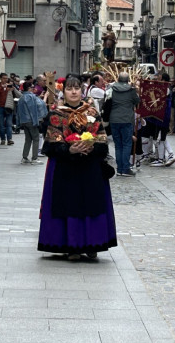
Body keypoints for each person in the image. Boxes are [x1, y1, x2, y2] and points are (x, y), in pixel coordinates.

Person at [37, 75, 117, 260]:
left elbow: (103, 139)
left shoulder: (92, 112)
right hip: (66, 168)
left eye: (77, 88)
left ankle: (92, 244)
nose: (73, 92)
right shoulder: (56, 114)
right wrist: (69, 149)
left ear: (82, 90)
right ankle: (71, 246)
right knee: (69, 204)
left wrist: (92, 146)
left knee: (92, 204)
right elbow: (50, 144)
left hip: (90, 167)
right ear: (63, 91)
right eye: (69, 88)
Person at [107, 71, 139, 176]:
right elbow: (137, 101)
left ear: (118, 79)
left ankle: (120, 168)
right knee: (126, 144)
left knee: (118, 145)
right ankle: (125, 168)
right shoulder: (131, 90)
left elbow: (107, 101)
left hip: (114, 119)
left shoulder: (111, 89)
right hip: (126, 119)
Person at [17, 80, 48, 165]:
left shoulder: (22, 97)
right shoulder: (31, 97)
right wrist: (36, 121)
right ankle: (34, 158)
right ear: (29, 88)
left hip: (24, 121)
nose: (33, 88)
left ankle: (25, 157)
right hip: (31, 120)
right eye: (32, 87)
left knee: (28, 139)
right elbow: (34, 110)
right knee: (36, 138)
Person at [0, 73, 20, 146]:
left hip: (9, 107)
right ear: (0, 79)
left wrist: (13, 89)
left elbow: (18, 94)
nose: (5, 80)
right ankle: (3, 139)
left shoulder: (10, 86)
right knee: (1, 124)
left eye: (6, 78)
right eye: (4, 78)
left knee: (9, 124)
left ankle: (9, 139)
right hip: (0, 107)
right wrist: (2, 87)